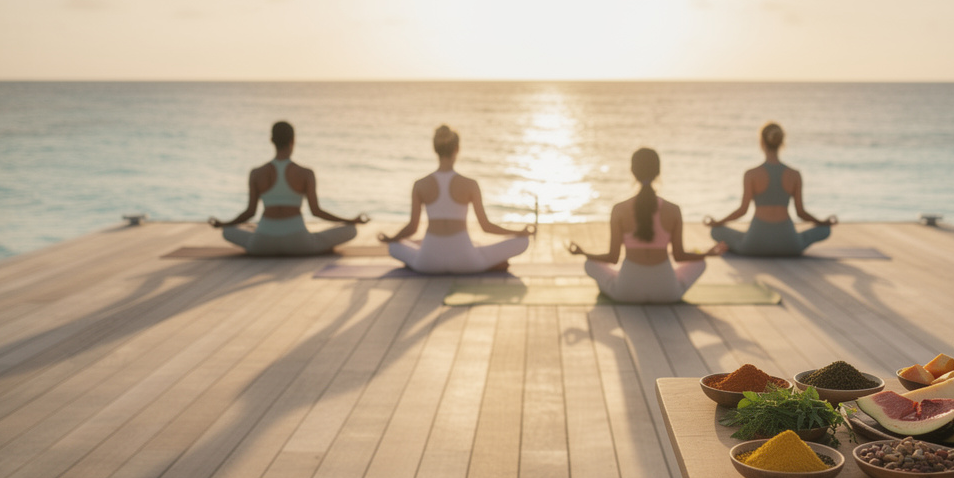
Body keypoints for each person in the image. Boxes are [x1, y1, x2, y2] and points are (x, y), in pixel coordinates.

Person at [567, 147, 725, 303]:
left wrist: (583, 253)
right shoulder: (673, 210)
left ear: (632, 171)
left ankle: (612, 283)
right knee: (700, 262)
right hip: (667, 292)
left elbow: (612, 258)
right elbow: (679, 256)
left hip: (626, 292)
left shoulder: (619, 210)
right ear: (658, 172)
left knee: (590, 264)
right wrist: (707, 254)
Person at [378, 125, 535, 273]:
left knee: (393, 247)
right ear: (457, 149)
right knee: (523, 242)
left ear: (435, 149)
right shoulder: (470, 184)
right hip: (466, 262)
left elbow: (412, 228)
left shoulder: (420, 184)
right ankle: (488, 263)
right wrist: (519, 232)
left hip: (427, 263)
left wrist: (391, 238)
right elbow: (486, 226)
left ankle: (415, 260)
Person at [208, 121, 368, 255]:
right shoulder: (305, 173)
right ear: (293, 140)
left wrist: (223, 224)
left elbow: (250, 212)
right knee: (351, 230)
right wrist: (350, 221)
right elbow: (316, 211)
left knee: (227, 231)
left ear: (272, 140)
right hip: (299, 243)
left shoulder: (257, 173)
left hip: (262, 243)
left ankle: (252, 234)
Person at [704, 122, 837, 256]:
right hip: (789, 244)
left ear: (761, 142)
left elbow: (742, 210)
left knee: (716, 231)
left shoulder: (751, 174)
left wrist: (718, 222)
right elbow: (800, 213)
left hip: (755, 243)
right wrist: (822, 222)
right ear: (782, 142)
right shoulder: (794, 174)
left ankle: (742, 243)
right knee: (825, 230)